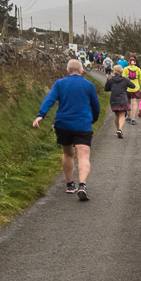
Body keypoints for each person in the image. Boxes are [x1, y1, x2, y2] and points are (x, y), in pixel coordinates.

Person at [33, 59, 101, 201]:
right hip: (83, 124)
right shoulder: (88, 85)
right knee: (83, 156)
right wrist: (93, 119)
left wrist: (41, 115)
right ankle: (82, 185)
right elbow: (96, 106)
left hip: (63, 124)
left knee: (68, 153)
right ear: (82, 71)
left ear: (67, 71)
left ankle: (70, 185)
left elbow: (49, 99)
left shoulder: (59, 83)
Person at [105, 64, 134, 138]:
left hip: (114, 99)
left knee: (116, 114)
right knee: (122, 115)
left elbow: (106, 89)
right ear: (121, 71)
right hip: (123, 99)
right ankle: (120, 129)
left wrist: (108, 80)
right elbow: (133, 86)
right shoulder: (125, 79)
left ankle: (117, 129)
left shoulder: (111, 80)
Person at [123, 57, 141, 125]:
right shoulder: (138, 69)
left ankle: (128, 117)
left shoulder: (125, 69)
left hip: (127, 88)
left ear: (129, 62)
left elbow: (123, 79)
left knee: (128, 102)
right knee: (135, 102)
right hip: (136, 88)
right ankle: (133, 119)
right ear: (135, 62)